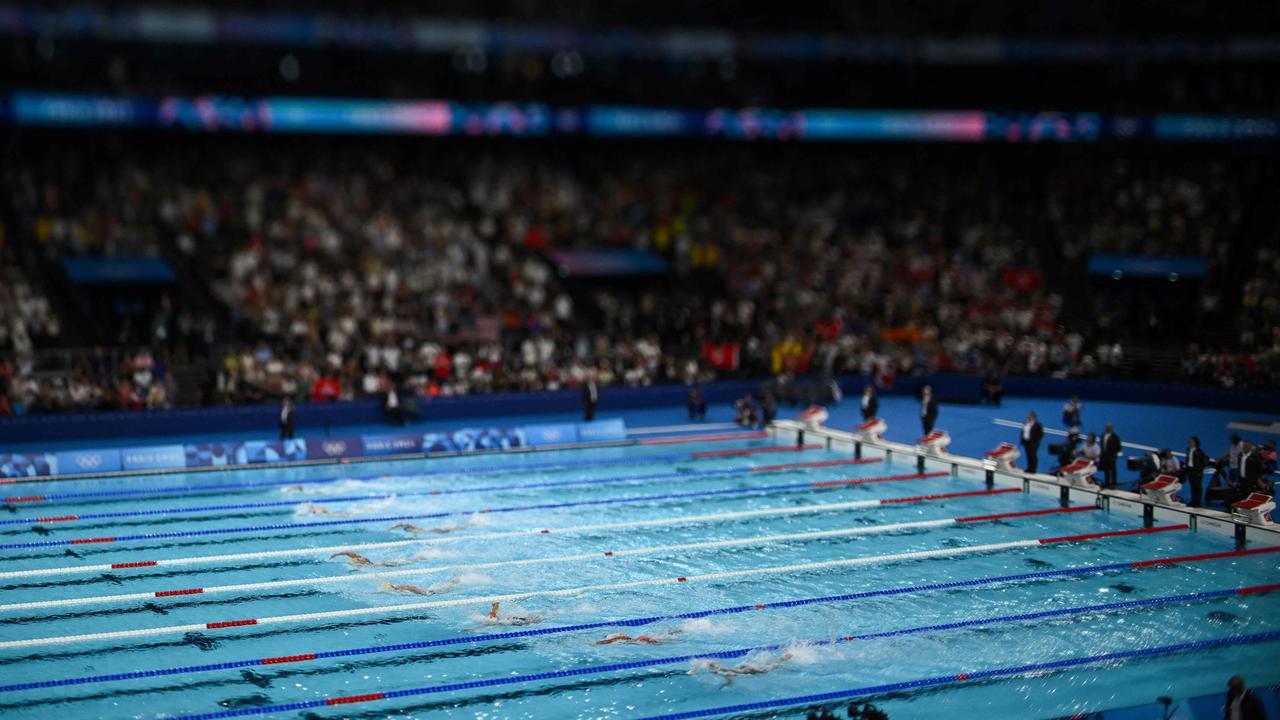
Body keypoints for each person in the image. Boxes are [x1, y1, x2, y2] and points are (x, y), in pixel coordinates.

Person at [693, 652, 793, 687]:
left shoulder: (720, 671)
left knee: (768, 669)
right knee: (766, 666)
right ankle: (781, 659)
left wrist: (725, 684)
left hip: (747, 671)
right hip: (743, 667)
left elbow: (729, 680)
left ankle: (781, 659)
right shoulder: (721, 668)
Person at [1185, 436, 1208, 507]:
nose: (1190, 443)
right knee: (1192, 486)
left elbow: (1206, 460)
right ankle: (1193, 501)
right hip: (1190, 470)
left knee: (1197, 487)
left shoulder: (1199, 451)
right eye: (1189, 442)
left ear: (1195, 443)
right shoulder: (1189, 450)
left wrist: (1200, 469)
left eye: (1191, 442)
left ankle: (1198, 502)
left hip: (1197, 471)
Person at [1100, 422, 1122, 488]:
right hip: (1104, 455)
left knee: (1113, 470)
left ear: (1111, 428)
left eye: (1108, 427)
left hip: (1111, 456)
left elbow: (1118, 447)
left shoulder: (1115, 437)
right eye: (1106, 427)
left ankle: (1113, 483)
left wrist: (1114, 454)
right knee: (1106, 470)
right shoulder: (1103, 435)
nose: (1107, 428)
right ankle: (1107, 483)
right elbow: (1102, 444)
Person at [381, 578, 460, 596]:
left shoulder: (398, 588)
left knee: (434, 590)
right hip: (427, 592)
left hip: (427, 593)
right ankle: (451, 583)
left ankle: (451, 583)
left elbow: (411, 588)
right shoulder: (398, 588)